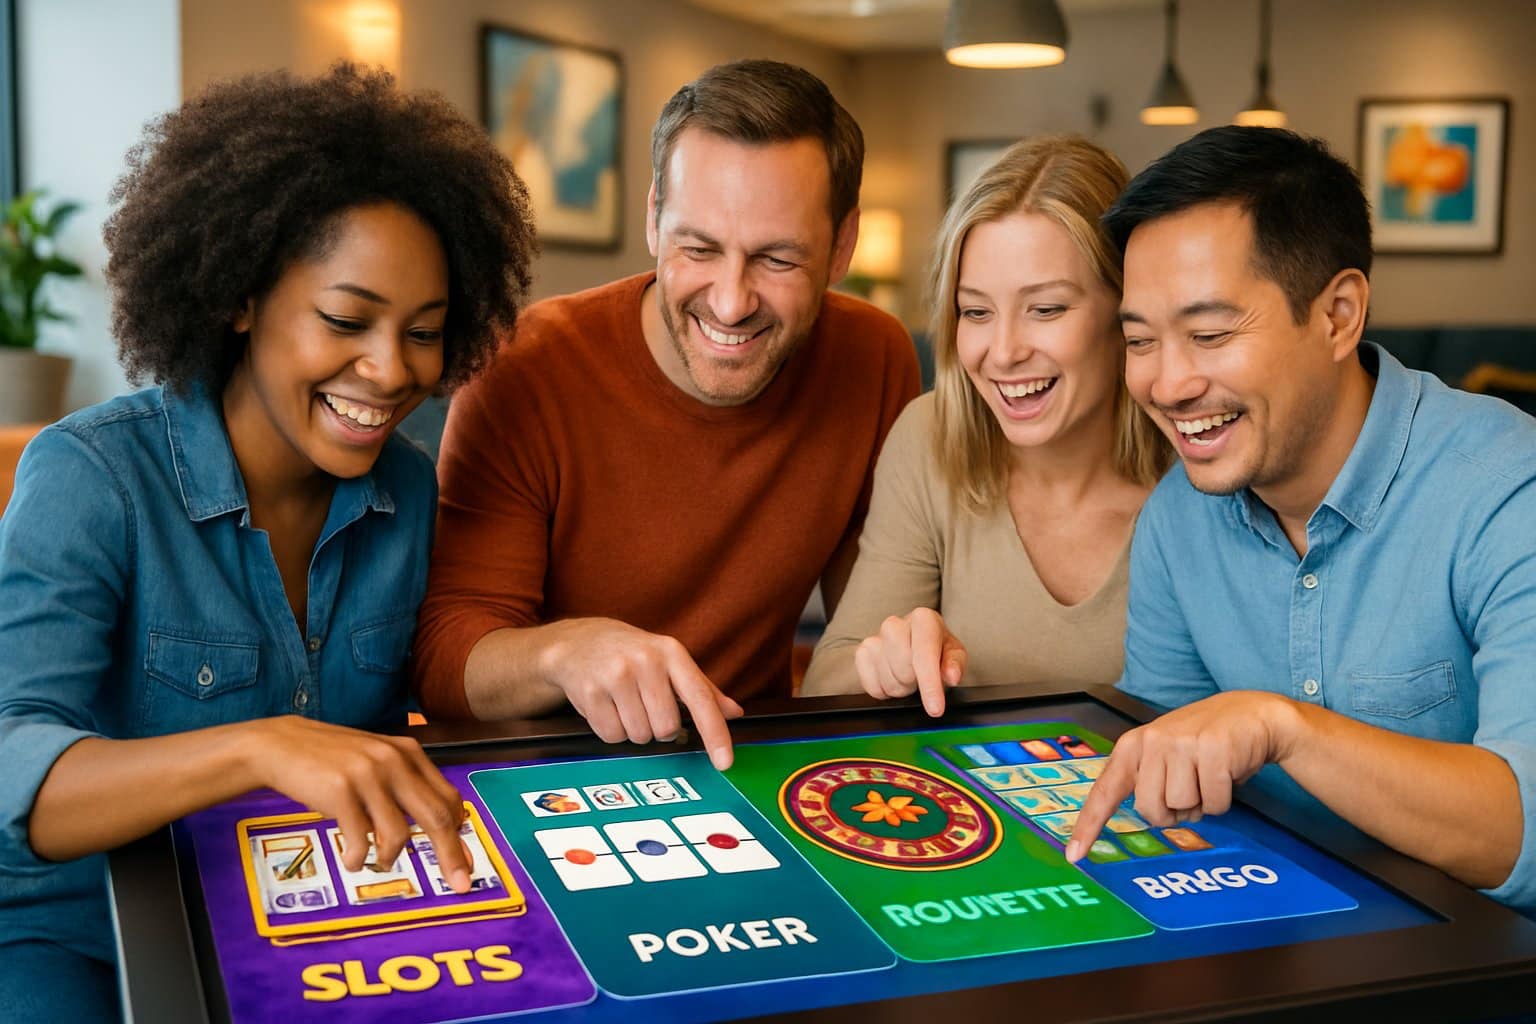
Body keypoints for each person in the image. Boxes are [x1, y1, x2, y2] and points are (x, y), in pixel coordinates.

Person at [0, 64, 537, 1019]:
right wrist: (261, 747)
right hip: (79, 940)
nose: (388, 369)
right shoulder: (90, 475)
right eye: (345, 319)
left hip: (299, 929)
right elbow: (13, 765)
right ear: (238, 297)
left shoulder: (406, 486)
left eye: (424, 332)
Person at [1064, 126, 1536, 917]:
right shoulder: (1178, 520)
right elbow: (1165, 791)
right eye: (1140, 340)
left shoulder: (1505, 488)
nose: (1168, 382)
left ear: (1339, 315)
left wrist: (1285, 729)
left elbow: (1527, 833)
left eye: (1210, 334)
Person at [411, 60, 920, 769]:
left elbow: (864, 628)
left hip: (756, 759)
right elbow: (443, 662)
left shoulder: (876, 356)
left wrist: (902, 647)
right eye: (699, 248)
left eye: (776, 259)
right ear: (654, 219)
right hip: (554, 768)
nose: (732, 300)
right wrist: (567, 653)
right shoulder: (524, 368)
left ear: (841, 247)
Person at [800, 136, 1170, 713]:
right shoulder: (930, 438)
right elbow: (827, 685)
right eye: (975, 311)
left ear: (1127, 307)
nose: (1001, 353)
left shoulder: (1201, 461)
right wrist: (887, 665)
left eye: (1045, 309)